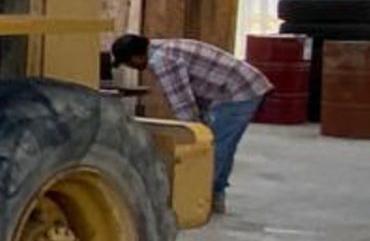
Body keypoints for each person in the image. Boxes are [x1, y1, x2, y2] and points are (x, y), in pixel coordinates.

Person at [109, 33, 270, 215]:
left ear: (137, 57)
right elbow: (194, 94)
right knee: (218, 144)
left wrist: (193, 135)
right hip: (237, 87)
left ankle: (201, 201)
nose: (133, 68)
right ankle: (213, 197)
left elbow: (183, 104)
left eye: (128, 63)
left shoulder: (163, 61)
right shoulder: (165, 48)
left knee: (214, 148)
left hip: (239, 91)